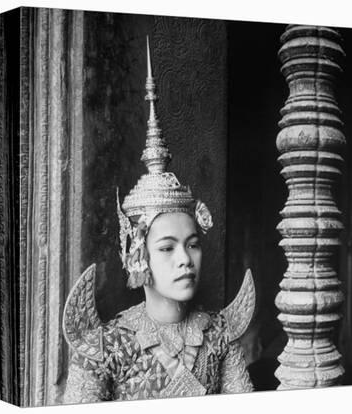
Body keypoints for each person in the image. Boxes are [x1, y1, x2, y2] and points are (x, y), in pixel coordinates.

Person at [62, 38, 255, 403]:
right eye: (166, 247)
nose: (185, 259)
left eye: (193, 244)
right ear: (138, 253)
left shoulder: (218, 336)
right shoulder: (106, 346)